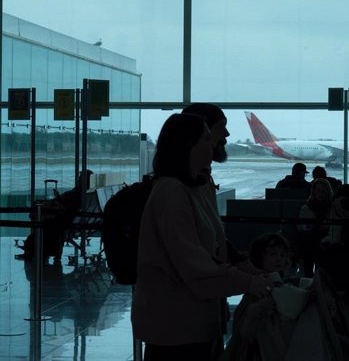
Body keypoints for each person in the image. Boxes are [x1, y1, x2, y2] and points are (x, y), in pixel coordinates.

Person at [131, 113, 272, 361]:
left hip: (197, 323)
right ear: (188, 145)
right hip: (176, 330)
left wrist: (248, 270)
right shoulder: (171, 192)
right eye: (207, 139)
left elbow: (212, 248)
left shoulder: (195, 186)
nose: (215, 143)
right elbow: (194, 263)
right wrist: (248, 283)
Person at [225, 232, 349, 361]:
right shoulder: (263, 282)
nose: (278, 258)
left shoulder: (275, 280)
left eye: (282, 255)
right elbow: (287, 304)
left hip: (277, 328)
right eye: (273, 254)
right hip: (271, 333)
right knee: (313, 324)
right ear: (260, 257)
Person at [181, 103, 246, 265]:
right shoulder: (175, 189)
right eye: (220, 127)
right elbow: (189, 259)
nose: (227, 134)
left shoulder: (203, 181)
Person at [297, 178, 333, 277]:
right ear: (314, 192)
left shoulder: (332, 208)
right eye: (318, 191)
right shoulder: (306, 208)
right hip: (312, 239)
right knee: (310, 239)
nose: (320, 194)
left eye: (323, 191)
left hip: (324, 238)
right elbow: (301, 228)